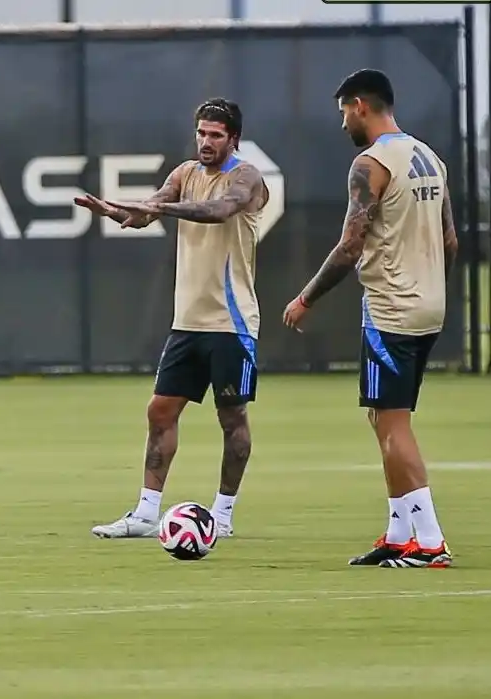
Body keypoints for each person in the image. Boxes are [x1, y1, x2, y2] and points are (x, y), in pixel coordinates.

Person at [284, 69, 456, 568]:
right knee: (381, 416)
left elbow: (349, 245)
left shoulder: (371, 163)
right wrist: (429, 284)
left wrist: (306, 298)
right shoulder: (430, 157)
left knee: (394, 423)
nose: (343, 124)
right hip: (429, 305)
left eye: (344, 112)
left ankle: (430, 541)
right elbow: (450, 241)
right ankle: (399, 533)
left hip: (391, 309)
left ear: (359, 105)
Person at [75, 98, 268, 540]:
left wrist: (161, 210)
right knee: (160, 410)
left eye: (215, 135)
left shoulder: (246, 177)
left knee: (231, 416)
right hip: (188, 322)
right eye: (201, 133)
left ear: (233, 139)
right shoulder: (184, 173)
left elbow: (220, 210)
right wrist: (113, 211)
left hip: (232, 322)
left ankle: (222, 515)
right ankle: (146, 514)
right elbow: (147, 211)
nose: (206, 141)